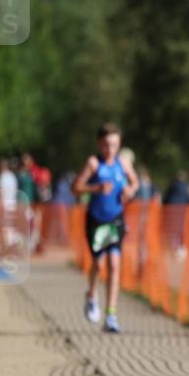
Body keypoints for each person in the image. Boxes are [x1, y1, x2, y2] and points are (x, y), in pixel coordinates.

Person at [73, 123, 140, 333]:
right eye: (105, 145)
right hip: (96, 220)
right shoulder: (94, 164)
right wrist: (95, 188)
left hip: (116, 219)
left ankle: (111, 315)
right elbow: (75, 188)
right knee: (98, 265)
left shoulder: (124, 163)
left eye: (113, 145)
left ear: (119, 144)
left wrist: (130, 190)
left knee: (114, 263)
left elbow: (135, 182)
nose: (109, 149)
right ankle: (91, 295)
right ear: (99, 144)